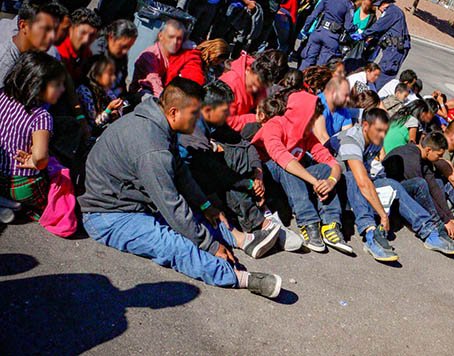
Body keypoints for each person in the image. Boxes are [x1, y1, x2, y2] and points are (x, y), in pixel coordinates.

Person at [79, 78, 284, 298]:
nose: (198, 120)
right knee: (172, 243)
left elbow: (181, 173)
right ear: (174, 112)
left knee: (201, 214)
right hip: (108, 215)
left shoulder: (160, 123)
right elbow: (172, 205)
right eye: (194, 114)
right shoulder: (152, 148)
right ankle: (238, 277)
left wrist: (205, 205)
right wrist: (210, 246)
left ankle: (240, 240)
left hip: (136, 201)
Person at [178, 80, 303, 251]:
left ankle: (261, 216)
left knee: (237, 152)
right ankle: (259, 223)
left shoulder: (214, 123)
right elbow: (216, 173)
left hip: (213, 180)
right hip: (192, 187)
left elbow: (245, 144)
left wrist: (257, 174)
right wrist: (249, 184)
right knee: (227, 167)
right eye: (225, 110)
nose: (229, 114)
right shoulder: (193, 132)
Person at [337, 108, 454, 262]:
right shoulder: (351, 140)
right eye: (379, 130)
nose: (382, 135)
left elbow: (372, 172)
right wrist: (383, 215)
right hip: (335, 185)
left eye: (385, 131)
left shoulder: (376, 140)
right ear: (365, 126)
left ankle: (429, 231)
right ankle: (371, 233)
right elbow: (362, 182)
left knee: (392, 184)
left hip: (360, 181)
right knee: (353, 177)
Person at [251, 91, 346, 253]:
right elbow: (281, 157)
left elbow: (333, 164)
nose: (313, 124)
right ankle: (308, 222)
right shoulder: (275, 124)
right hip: (265, 177)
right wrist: (315, 182)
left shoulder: (306, 135)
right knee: (287, 165)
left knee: (325, 170)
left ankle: (330, 224)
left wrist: (331, 181)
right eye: (311, 119)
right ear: (300, 115)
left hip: (290, 180)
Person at [0, 52, 66, 220]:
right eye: (57, 85)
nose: (62, 89)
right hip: (21, 185)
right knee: (58, 193)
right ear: (38, 85)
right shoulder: (41, 117)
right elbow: (41, 157)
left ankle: (8, 203)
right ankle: (28, 209)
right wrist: (34, 161)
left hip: (1, 175)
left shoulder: (2, 96)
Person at [384, 132, 454, 241]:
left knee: (437, 183)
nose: (440, 158)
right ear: (428, 150)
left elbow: (433, 188)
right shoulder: (411, 158)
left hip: (403, 190)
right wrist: (444, 220)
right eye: (439, 155)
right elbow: (423, 194)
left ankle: (440, 222)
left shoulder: (424, 158)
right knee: (421, 185)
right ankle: (435, 224)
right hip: (390, 196)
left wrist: (450, 218)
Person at [219, 50, 286, 132]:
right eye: (252, 85)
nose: (254, 89)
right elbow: (229, 121)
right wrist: (256, 118)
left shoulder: (258, 76)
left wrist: (262, 104)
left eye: (259, 87)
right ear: (248, 70)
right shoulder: (229, 84)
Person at [0, 0, 62, 81]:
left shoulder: (37, 56)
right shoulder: (4, 64)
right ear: (23, 26)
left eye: (55, 30)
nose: (53, 36)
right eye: (46, 29)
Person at [299, 0, 357, 70]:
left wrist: (305, 28)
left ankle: (300, 76)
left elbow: (314, 15)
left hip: (319, 31)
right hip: (332, 37)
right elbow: (348, 26)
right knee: (320, 68)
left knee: (307, 60)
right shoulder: (349, 5)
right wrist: (355, 30)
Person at [360, 0, 410, 89]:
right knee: (384, 71)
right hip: (393, 48)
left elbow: (379, 26)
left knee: (385, 72)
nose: (379, 9)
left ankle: (374, 92)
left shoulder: (392, 12)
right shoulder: (393, 11)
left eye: (379, 6)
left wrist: (363, 34)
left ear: (384, 4)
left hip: (395, 49)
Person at [129, 19, 185, 99]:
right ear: (160, 36)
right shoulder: (150, 55)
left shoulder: (177, 54)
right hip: (143, 94)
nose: (175, 42)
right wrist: (166, 101)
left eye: (179, 39)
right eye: (171, 37)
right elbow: (154, 82)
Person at [75, 54, 125, 135]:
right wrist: (108, 110)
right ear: (96, 74)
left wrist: (118, 111)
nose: (114, 77)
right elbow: (94, 124)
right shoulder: (84, 91)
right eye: (110, 74)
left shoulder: (106, 90)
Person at [90, 18, 137, 99]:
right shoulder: (96, 53)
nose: (125, 51)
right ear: (111, 37)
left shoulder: (121, 54)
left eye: (129, 47)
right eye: (123, 46)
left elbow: (122, 83)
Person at [55, 7, 101, 81]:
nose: (86, 40)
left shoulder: (87, 53)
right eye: (83, 33)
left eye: (92, 36)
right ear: (71, 28)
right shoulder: (57, 52)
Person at [311, 75, 353, 149]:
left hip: (331, 147)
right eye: (345, 95)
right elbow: (322, 138)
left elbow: (348, 135)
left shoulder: (343, 109)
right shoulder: (318, 105)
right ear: (333, 93)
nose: (348, 99)